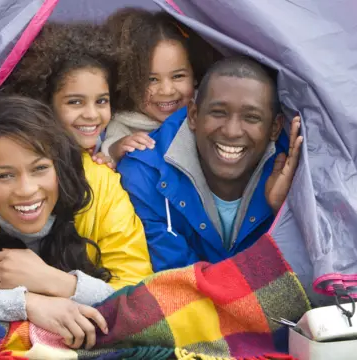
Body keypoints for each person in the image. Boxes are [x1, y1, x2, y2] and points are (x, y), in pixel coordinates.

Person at [0, 96, 153, 349]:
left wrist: (55, 282)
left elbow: (141, 302)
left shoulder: (99, 188)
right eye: (4, 175)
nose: (26, 190)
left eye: (40, 169)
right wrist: (26, 304)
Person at [117, 56, 303, 272]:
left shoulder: (297, 173)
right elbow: (177, 284)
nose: (232, 131)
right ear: (193, 115)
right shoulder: (143, 175)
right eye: (218, 113)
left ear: (275, 127)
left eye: (251, 117)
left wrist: (283, 211)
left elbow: (309, 277)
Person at [101, 8, 218, 163]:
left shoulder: (206, 106)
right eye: (152, 80)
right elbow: (108, 152)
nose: (167, 90)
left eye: (178, 76)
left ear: (194, 76)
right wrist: (117, 149)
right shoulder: (124, 122)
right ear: (129, 82)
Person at [0, 22, 118, 167]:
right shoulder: (25, 158)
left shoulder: (97, 146)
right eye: (75, 102)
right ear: (46, 102)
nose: (92, 115)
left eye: (101, 101)